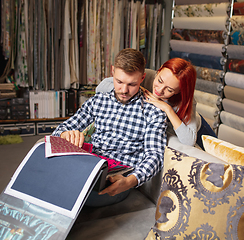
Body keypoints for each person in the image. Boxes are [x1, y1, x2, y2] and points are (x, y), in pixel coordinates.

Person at [52, 48, 167, 207]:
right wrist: (66, 134)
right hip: (89, 162)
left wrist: (131, 181)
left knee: (62, 191)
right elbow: (62, 129)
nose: (124, 90)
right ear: (112, 72)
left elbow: (155, 155)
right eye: (119, 82)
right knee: (47, 169)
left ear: (142, 78)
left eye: (132, 84)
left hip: (117, 177)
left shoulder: (153, 112)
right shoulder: (98, 100)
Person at [96, 58, 217, 149]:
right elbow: (101, 87)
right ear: (158, 71)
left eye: (169, 90)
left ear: (179, 91)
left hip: (199, 130)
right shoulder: (146, 76)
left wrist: (167, 108)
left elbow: (189, 140)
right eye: (159, 80)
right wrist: (139, 89)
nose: (159, 90)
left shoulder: (185, 101)